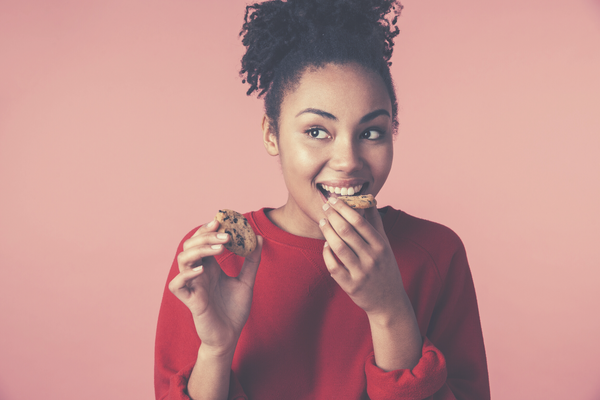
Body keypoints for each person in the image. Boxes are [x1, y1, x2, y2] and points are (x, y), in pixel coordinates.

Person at [155, 0, 490, 399]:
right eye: (317, 131)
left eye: (371, 133)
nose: (348, 161)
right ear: (271, 134)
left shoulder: (436, 253)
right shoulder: (214, 261)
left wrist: (390, 312)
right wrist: (216, 349)